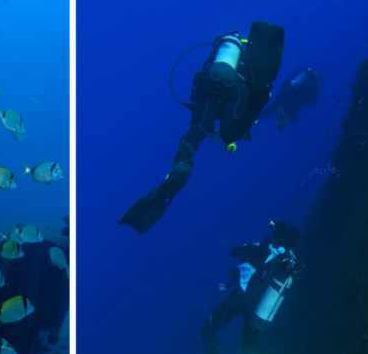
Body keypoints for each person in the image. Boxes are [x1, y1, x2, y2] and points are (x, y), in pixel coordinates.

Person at [119, 21, 285, 234]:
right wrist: (256, 104)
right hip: (238, 88)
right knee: (228, 133)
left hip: (212, 82)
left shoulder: (219, 52)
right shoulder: (249, 60)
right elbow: (251, 95)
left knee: (195, 131)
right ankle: (229, 131)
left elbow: (198, 81)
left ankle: (181, 166)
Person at [206, 220, 301, 354]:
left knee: (209, 329)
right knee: (247, 341)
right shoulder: (287, 260)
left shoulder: (266, 247)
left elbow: (235, 250)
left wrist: (248, 248)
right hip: (256, 303)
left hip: (240, 297)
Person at [257, 67, 323, 131]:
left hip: (286, 92)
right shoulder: (315, 82)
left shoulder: (303, 72)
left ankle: (256, 117)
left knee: (269, 110)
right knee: (282, 123)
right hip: (293, 100)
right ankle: (263, 118)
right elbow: (314, 103)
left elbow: (287, 82)